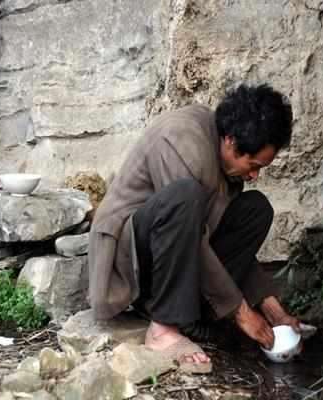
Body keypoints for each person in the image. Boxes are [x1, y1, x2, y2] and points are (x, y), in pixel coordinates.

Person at [88, 83, 302, 373]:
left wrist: (271, 309)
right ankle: (162, 328)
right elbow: (192, 236)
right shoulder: (180, 140)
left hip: (178, 254)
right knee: (184, 196)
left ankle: (196, 318)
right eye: (252, 165)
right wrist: (241, 313)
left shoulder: (225, 161)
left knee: (256, 209)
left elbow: (213, 235)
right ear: (230, 141)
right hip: (132, 263)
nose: (254, 175)